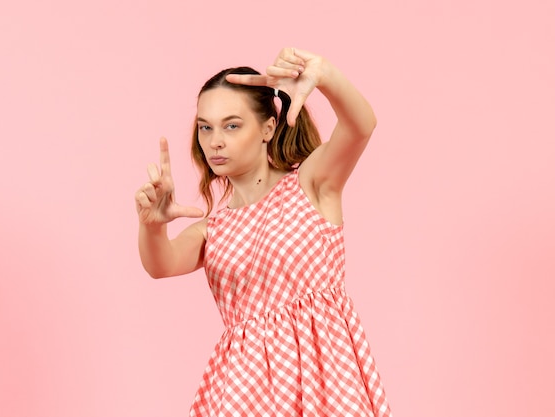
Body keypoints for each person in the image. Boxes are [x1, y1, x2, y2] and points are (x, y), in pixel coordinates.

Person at [135, 47, 392, 417]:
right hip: (244, 388)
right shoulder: (215, 228)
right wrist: (152, 225)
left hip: (325, 381)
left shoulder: (311, 183)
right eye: (205, 127)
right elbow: (161, 264)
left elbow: (361, 126)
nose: (215, 140)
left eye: (231, 125)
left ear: (268, 128)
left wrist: (324, 76)